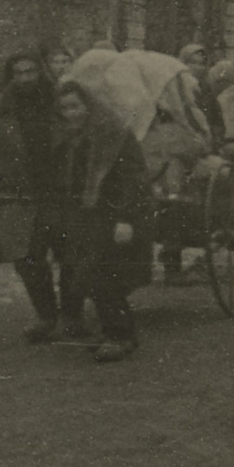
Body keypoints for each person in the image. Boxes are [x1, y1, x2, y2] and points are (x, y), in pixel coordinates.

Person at [0, 51, 75, 341]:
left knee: (69, 254)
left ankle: (71, 316)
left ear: (41, 73)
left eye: (31, 72)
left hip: (57, 189)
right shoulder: (0, 105)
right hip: (18, 190)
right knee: (27, 257)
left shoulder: (58, 101)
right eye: (19, 73)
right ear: (11, 76)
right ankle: (46, 316)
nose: (25, 78)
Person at [49, 81, 154, 362]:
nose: (71, 114)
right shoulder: (72, 137)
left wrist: (125, 219)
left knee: (103, 274)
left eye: (76, 106)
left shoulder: (113, 133)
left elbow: (133, 180)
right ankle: (118, 333)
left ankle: (120, 336)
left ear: (89, 105)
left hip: (112, 213)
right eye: (65, 108)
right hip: (85, 215)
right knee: (89, 274)